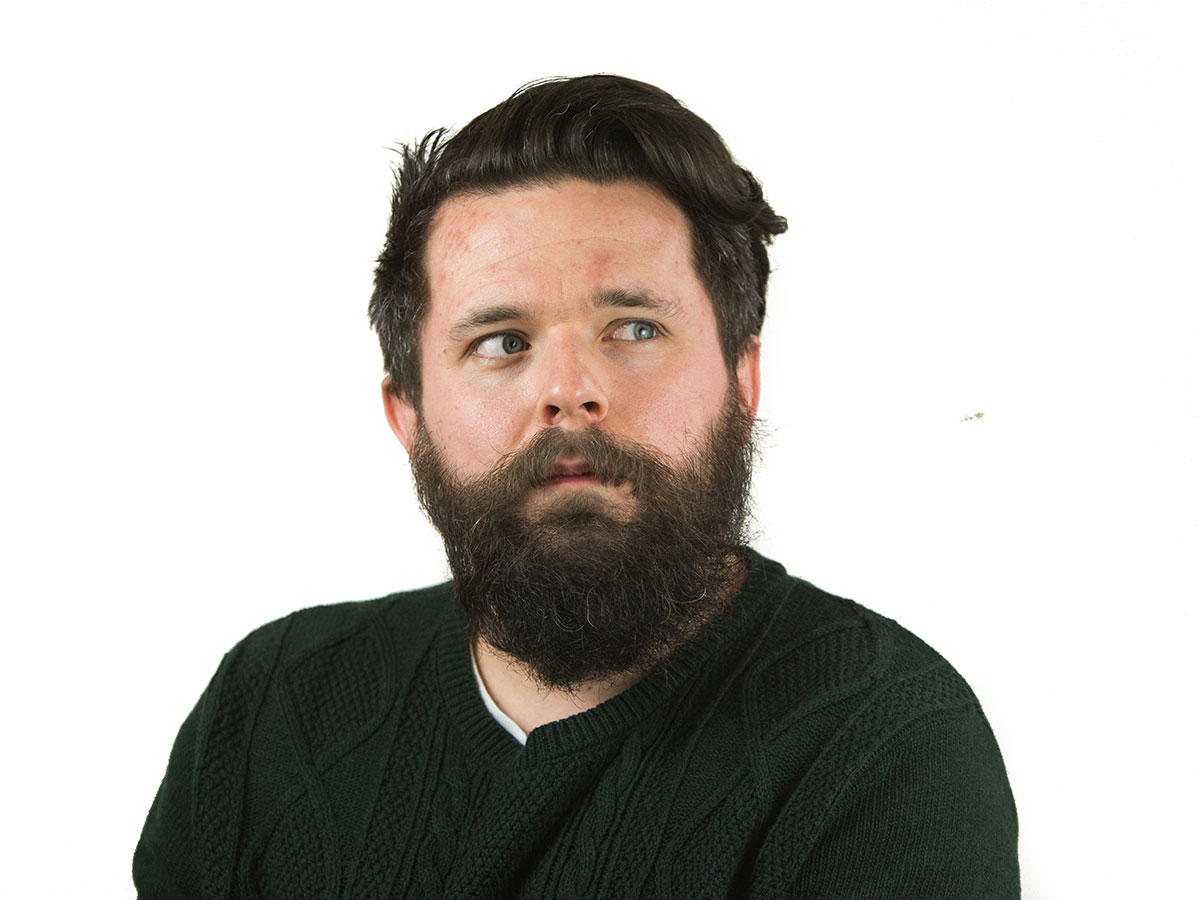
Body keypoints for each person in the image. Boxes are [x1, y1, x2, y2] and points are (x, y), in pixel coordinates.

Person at [134, 75, 1019, 898]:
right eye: (501, 342)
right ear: (408, 414)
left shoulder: (884, 742)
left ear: (743, 381)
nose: (568, 390)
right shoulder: (271, 704)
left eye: (634, 328)